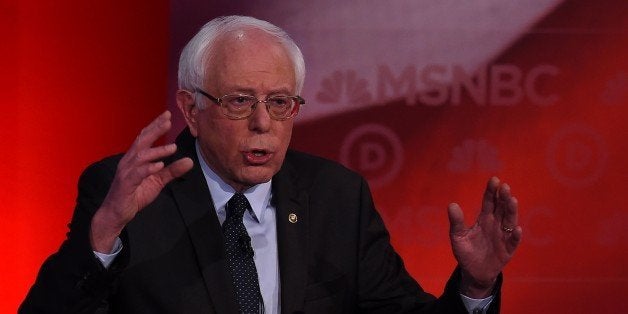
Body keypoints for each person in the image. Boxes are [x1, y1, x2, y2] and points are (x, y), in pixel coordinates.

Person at [20, 15, 522, 314]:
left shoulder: (337, 198)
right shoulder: (124, 191)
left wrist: (475, 287)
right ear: (191, 111)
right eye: (240, 100)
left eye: (281, 102)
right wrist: (103, 235)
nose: (264, 123)